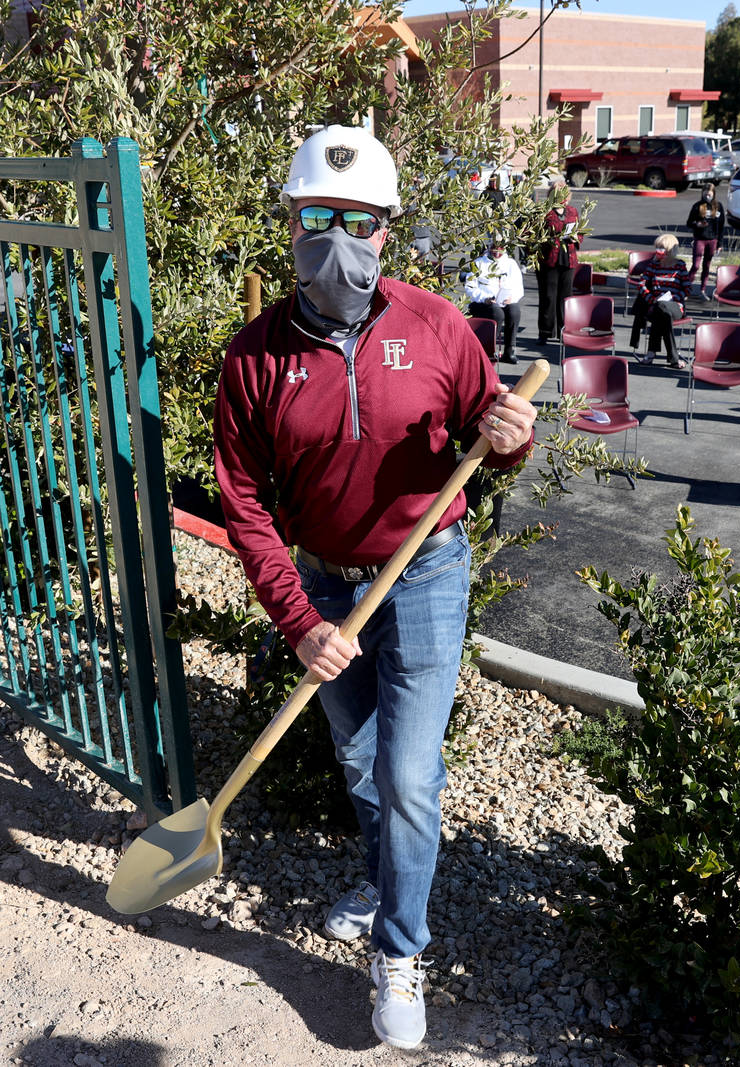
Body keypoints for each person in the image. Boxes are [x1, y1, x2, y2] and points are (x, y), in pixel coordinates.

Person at [213, 125, 537, 1052]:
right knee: (359, 764)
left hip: (426, 570)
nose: (336, 240)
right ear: (289, 222)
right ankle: (385, 875)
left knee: (405, 773)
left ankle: (401, 949)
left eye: (357, 221)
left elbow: (492, 434)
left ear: (387, 230)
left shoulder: (438, 326)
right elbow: (242, 505)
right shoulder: (253, 360)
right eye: (318, 217)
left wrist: (512, 435)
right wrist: (301, 620)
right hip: (325, 584)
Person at [629, 233, 692, 369]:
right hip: (656, 306)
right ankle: (673, 359)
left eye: (661, 248)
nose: (658, 251)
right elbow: (642, 284)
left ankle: (651, 353)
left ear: (670, 250)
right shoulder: (654, 265)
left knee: (663, 308)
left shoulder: (680, 265)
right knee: (662, 313)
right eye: (657, 247)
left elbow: (687, 289)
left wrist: (672, 298)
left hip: (675, 306)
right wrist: (651, 299)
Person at [464, 235, 523, 364]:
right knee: (497, 313)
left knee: (515, 311)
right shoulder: (479, 262)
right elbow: (469, 287)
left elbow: (519, 288)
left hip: (503, 300)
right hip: (482, 302)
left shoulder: (511, 264)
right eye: (494, 249)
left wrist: (511, 298)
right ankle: (489, 349)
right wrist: (484, 298)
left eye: (500, 250)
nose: (497, 253)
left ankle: (510, 350)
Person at [535, 180, 580, 343]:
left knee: (565, 297)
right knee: (548, 297)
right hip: (549, 260)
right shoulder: (544, 212)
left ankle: (564, 330)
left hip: (568, 259)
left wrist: (575, 237)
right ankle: (545, 332)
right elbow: (534, 234)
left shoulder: (572, 211)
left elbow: (579, 231)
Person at [686, 182, 726, 300]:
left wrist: (720, 243)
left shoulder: (718, 206)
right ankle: (686, 289)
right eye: (705, 193)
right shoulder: (697, 206)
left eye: (709, 194)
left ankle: (702, 290)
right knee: (696, 265)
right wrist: (697, 224)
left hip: (712, 240)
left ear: (713, 194)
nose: (707, 196)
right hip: (700, 239)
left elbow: (722, 226)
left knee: (707, 266)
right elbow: (689, 222)